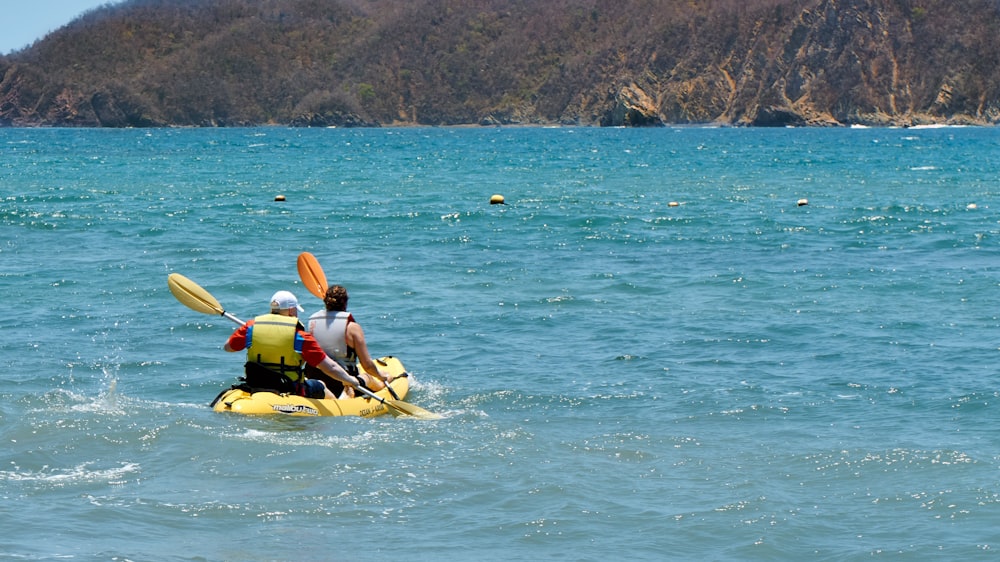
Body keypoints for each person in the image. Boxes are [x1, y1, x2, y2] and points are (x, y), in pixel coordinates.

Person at [223, 290, 365, 399]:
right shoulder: (299, 336)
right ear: (291, 311)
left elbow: (228, 347)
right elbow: (330, 367)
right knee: (320, 384)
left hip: (256, 383)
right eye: (296, 310)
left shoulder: (251, 327)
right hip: (287, 386)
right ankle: (336, 410)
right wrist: (350, 379)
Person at [307, 284, 389, 398]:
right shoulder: (352, 327)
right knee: (370, 377)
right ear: (345, 303)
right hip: (343, 380)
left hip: (314, 376)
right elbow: (368, 366)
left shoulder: (313, 322)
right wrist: (381, 376)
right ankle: (382, 383)